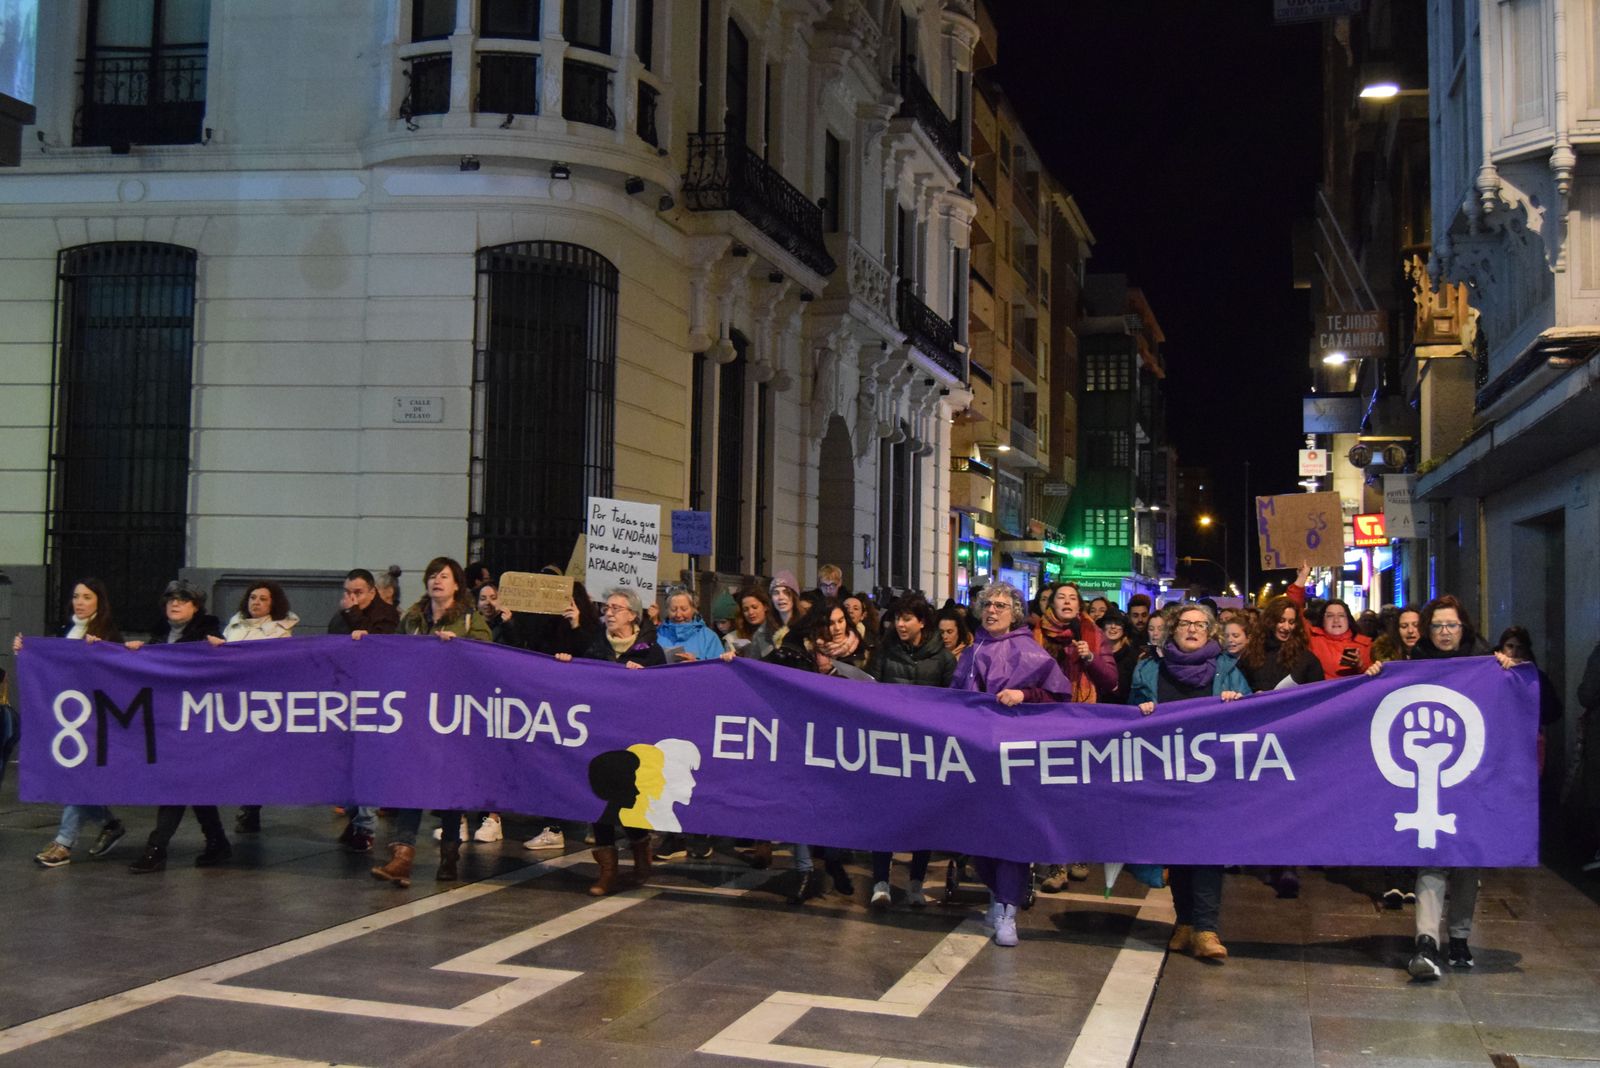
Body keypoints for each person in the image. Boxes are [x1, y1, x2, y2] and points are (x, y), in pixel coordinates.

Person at [1367, 594, 1512, 979]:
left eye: (1452, 625)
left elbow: (1537, 701)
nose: (1445, 632)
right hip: (1426, 780)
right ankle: (1426, 940)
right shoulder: (1412, 665)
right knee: (1430, 856)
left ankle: (1460, 936)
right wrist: (1377, 675)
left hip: (1473, 777)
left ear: (1464, 627)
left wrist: (1511, 669)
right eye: (1437, 626)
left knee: (1466, 861)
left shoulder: (1488, 663)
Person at [951, 581, 1072, 947]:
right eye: (987, 604)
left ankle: (1007, 907)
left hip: (1016, 757)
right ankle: (997, 891)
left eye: (1001, 605)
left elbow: (1056, 695)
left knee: (1012, 836)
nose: (992, 610)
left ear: (1015, 613)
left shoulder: (1028, 650)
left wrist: (1025, 694)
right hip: (977, 755)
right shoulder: (971, 652)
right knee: (978, 835)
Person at [1130, 602, 1251, 961]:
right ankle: (1184, 924)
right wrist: (1141, 710)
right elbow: (1127, 718)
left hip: (1212, 779)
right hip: (1166, 776)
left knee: (1207, 850)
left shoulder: (1228, 670)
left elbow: (1251, 717)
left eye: (1200, 624)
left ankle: (1206, 928)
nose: (1192, 630)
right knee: (1177, 849)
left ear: (1212, 632)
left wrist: (1237, 702)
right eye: (1185, 624)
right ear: (1172, 630)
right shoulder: (1149, 670)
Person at [370, 557, 492, 888]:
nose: (437, 581)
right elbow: (391, 651)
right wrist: (361, 641)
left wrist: (461, 647)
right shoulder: (412, 619)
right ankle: (402, 857)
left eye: (444, 576)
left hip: (453, 714)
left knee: (449, 785)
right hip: (417, 712)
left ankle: (450, 853)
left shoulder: (469, 620)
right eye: (433, 576)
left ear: (457, 586)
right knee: (412, 781)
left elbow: (489, 655)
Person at [20, 578, 127, 868]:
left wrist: (103, 651)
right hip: (69, 717)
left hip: (94, 720)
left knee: (76, 779)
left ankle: (64, 842)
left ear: (99, 602)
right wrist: (27, 652)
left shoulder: (108, 634)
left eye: (87, 597)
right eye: (76, 596)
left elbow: (117, 673)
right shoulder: (68, 631)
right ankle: (109, 823)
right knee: (78, 779)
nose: (79, 602)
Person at [127, 580, 229, 873]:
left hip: (196, 724)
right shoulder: (159, 635)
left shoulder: (208, 634)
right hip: (168, 722)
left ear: (195, 607)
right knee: (193, 786)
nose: (175, 604)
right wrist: (137, 652)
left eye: (183, 600)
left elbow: (225, 669)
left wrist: (222, 651)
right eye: (171, 599)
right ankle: (217, 841)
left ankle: (156, 849)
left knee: (177, 784)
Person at [866, 595, 956, 908]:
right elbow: (867, 691)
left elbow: (955, 705)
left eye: (907, 619)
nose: (900, 625)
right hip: (889, 746)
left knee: (923, 818)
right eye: (897, 619)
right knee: (883, 815)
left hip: (925, 749)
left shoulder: (943, 659)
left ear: (922, 622)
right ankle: (880, 882)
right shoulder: (884, 652)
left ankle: (916, 883)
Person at [1031, 581, 1120, 892]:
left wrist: (1090, 659)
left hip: (1083, 722)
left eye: (1072, 598)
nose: (1067, 602)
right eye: (1060, 598)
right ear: (1049, 605)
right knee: (1051, 793)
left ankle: (1079, 854)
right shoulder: (1034, 634)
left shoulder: (1092, 634)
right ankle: (1056, 865)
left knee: (1079, 792)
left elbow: (1110, 682)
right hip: (1046, 722)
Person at [327, 568, 400, 853]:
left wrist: (354, 615)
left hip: (376, 694)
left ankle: (365, 827)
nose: (351, 598)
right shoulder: (342, 615)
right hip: (347, 692)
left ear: (372, 592)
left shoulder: (387, 614)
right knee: (349, 760)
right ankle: (356, 818)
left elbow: (378, 646)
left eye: (358, 592)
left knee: (368, 759)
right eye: (348, 592)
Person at [221, 582, 298, 835]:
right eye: (253, 597)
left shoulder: (280, 632)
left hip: (261, 703)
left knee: (254, 760)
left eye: (263, 599)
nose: (256, 602)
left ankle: (250, 808)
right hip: (233, 700)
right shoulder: (234, 626)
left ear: (273, 604)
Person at [1287, 566, 1371, 677]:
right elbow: (1293, 606)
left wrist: (1360, 666)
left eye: (1341, 615)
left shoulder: (1365, 644)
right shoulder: (1312, 638)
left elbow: (1376, 676)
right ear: (1323, 620)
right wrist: (1302, 576)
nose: (1336, 620)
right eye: (1330, 616)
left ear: (1348, 619)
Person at [655, 588, 732, 663]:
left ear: (694, 609)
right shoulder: (656, 635)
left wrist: (696, 664)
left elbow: (718, 669)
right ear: (667, 610)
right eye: (673, 609)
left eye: (684, 609)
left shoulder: (709, 637)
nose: (678, 614)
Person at [731, 586, 780, 660]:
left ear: (765, 607)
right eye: (745, 609)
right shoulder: (736, 635)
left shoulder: (777, 631)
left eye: (754, 607)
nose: (750, 612)